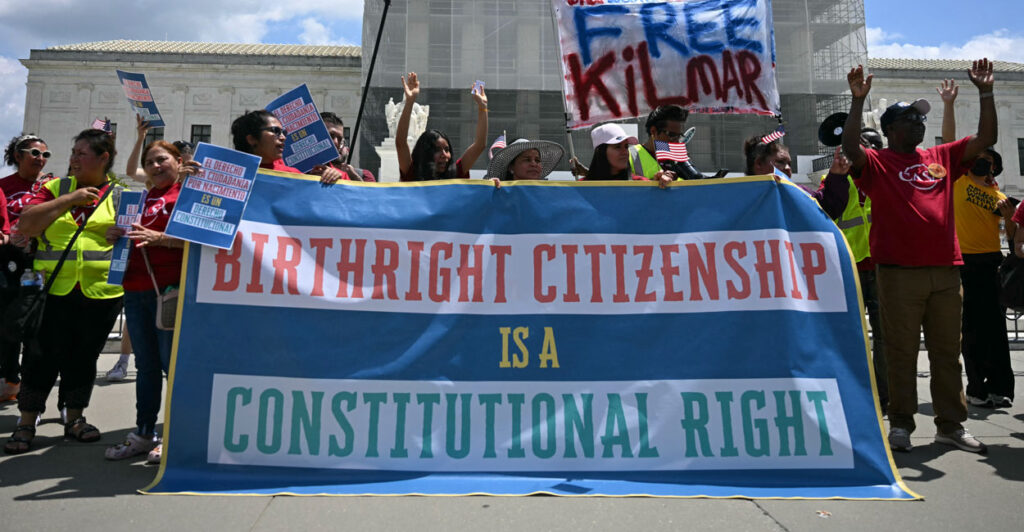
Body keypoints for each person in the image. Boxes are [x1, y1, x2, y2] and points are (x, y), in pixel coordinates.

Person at [841, 59, 997, 454]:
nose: (918, 124)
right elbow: (849, 148)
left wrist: (986, 93)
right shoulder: (877, 163)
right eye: (909, 119)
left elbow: (986, 138)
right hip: (898, 274)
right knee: (901, 351)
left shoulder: (941, 158)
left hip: (946, 272)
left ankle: (951, 425)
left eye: (920, 119)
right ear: (891, 130)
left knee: (948, 352)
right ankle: (901, 424)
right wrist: (857, 102)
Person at [5, 128, 125, 454]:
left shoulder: (119, 195)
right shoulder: (54, 188)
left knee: (83, 358)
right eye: (73, 152)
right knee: (40, 357)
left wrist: (123, 234)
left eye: (81, 153)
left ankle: (75, 419)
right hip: (52, 290)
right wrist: (69, 199)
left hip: (100, 293)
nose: (73, 159)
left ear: (103, 159)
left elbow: (134, 238)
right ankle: (27, 422)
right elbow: (26, 225)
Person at [103, 140, 191, 462]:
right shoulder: (139, 200)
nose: (155, 167)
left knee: (172, 367)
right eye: (150, 162)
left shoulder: (187, 196)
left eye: (162, 160)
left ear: (178, 161)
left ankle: (173, 435)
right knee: (146, 367)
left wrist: (162, 239)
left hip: (168, 291)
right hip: (135, 289)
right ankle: (143, 432)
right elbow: (129, 235)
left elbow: (206, 241)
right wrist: (115, 235)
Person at [829, 128, 888, 414]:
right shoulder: (837, 179)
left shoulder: (887, 179)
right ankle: (855, 392)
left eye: (875, 146)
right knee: (851, 334)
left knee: (885, 336)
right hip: (847, 268)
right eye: (865, 145)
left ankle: (884, 396)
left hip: (881, 268)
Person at [0, 134, 50, 401]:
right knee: (8, 324)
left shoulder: (51, 186)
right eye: (34, 153)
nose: (40, 159)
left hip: (40, 263)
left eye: (44, 155)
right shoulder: (3, 186)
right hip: (8, 262)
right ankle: (10, 378)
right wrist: (10, 237)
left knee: (35, 327)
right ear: (18, 156)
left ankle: (32, 384)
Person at [396, 72, 488, 181]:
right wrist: (409, 102)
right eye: (437, 150)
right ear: (425, 153)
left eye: (447, 149)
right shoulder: (412, 173)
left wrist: (483, 108)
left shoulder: (456, 172)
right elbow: (401, 143)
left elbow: (480, 145)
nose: (444, 155)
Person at [742, 135, 849, 220]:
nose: (788, 168)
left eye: (790, 164)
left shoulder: (798, 193)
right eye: (781, 162)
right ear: (759, 164)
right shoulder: (738, 199)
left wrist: (837, 176)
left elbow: (827, 209)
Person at [583, 123, 672, 187]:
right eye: (617, 147)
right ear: (600, 152)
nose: (625, 152)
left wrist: (657, 187)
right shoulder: (580, 188)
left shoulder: (641, 184)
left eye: (626, 146)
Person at [315, 112, 376, 183]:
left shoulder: (363, 175)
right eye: (331, 136)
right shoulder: (301, 171)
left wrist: (352, 177)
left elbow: (370, 193)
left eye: (340, 139)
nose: (336, 143)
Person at [485, 139, 564, 181]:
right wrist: (489, 190)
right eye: (527, 160)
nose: (534, 164)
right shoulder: (499, 191)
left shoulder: (549, 194)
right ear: (511, 167)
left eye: (537, 160)